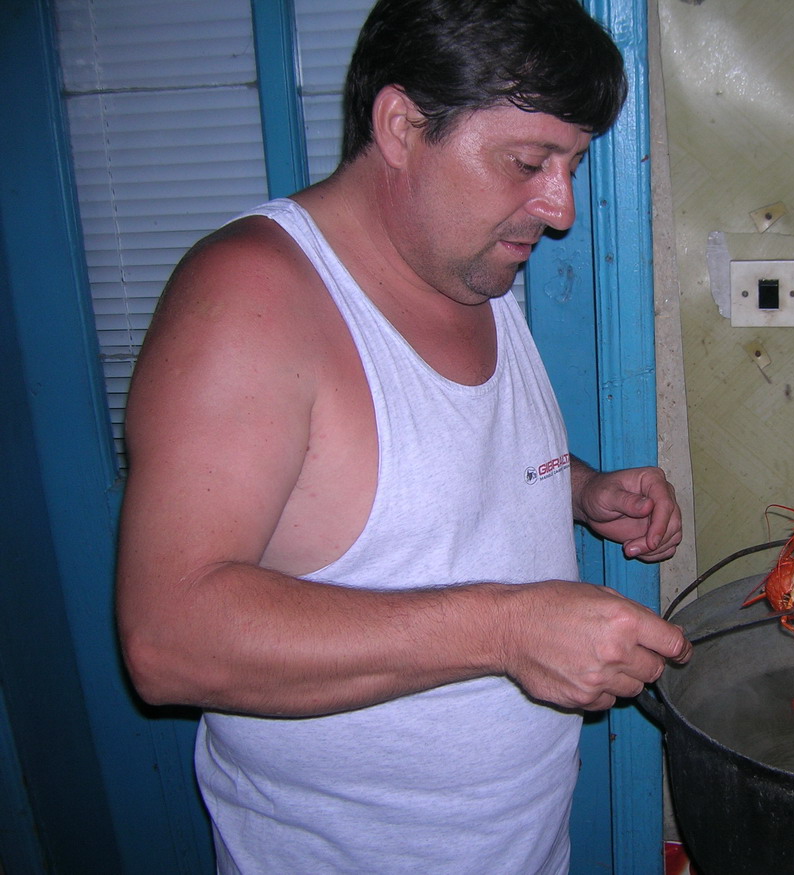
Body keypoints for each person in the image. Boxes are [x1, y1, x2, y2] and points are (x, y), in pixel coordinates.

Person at [115, 0, 693, 872]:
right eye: (528, 162)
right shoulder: (252, 298)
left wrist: (578, 489)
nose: (560, 208)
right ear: (401, 126)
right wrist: (504, 631)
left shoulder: (468, 267)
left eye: (571, 165)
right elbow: (168, 638)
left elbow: (425, 472)